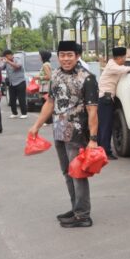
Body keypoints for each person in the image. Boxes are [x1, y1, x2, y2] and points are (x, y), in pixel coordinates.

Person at [28, 41, 100, 228]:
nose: (66, 58)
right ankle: (76, 208)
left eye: (70, 55)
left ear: (77, 56)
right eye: (62, 55)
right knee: (67, 173)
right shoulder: (57, 75)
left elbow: (93, 111)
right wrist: (36, 125)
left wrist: (93, 139)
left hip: (78, 134)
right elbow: (50, 103)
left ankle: (83, 215)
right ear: (58, 56)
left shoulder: (87, 78)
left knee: (78, 174)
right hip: (59, 131)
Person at [98, 47, 130, 160]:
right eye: (124, 57)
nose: (125, 59)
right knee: (106, 126)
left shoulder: (115, 65)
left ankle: (101, 150)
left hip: (106, 99)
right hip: (105, 99)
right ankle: (106, 152)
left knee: (104, 126)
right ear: (119, 58)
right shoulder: (112, 66)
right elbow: (124, 70)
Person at [2, 49, 27, 119]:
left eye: (7, 56)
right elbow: (1, 68)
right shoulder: (6, 62)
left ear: (11, 55)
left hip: (20, 82)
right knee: (12, 99)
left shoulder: (17, 59)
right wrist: (0, 61)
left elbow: (17, 66)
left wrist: (8, 61)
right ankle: (14, 113)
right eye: (5, 57)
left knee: (21, 98)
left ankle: (24, 113)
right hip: (11, 83)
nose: (6, 58)